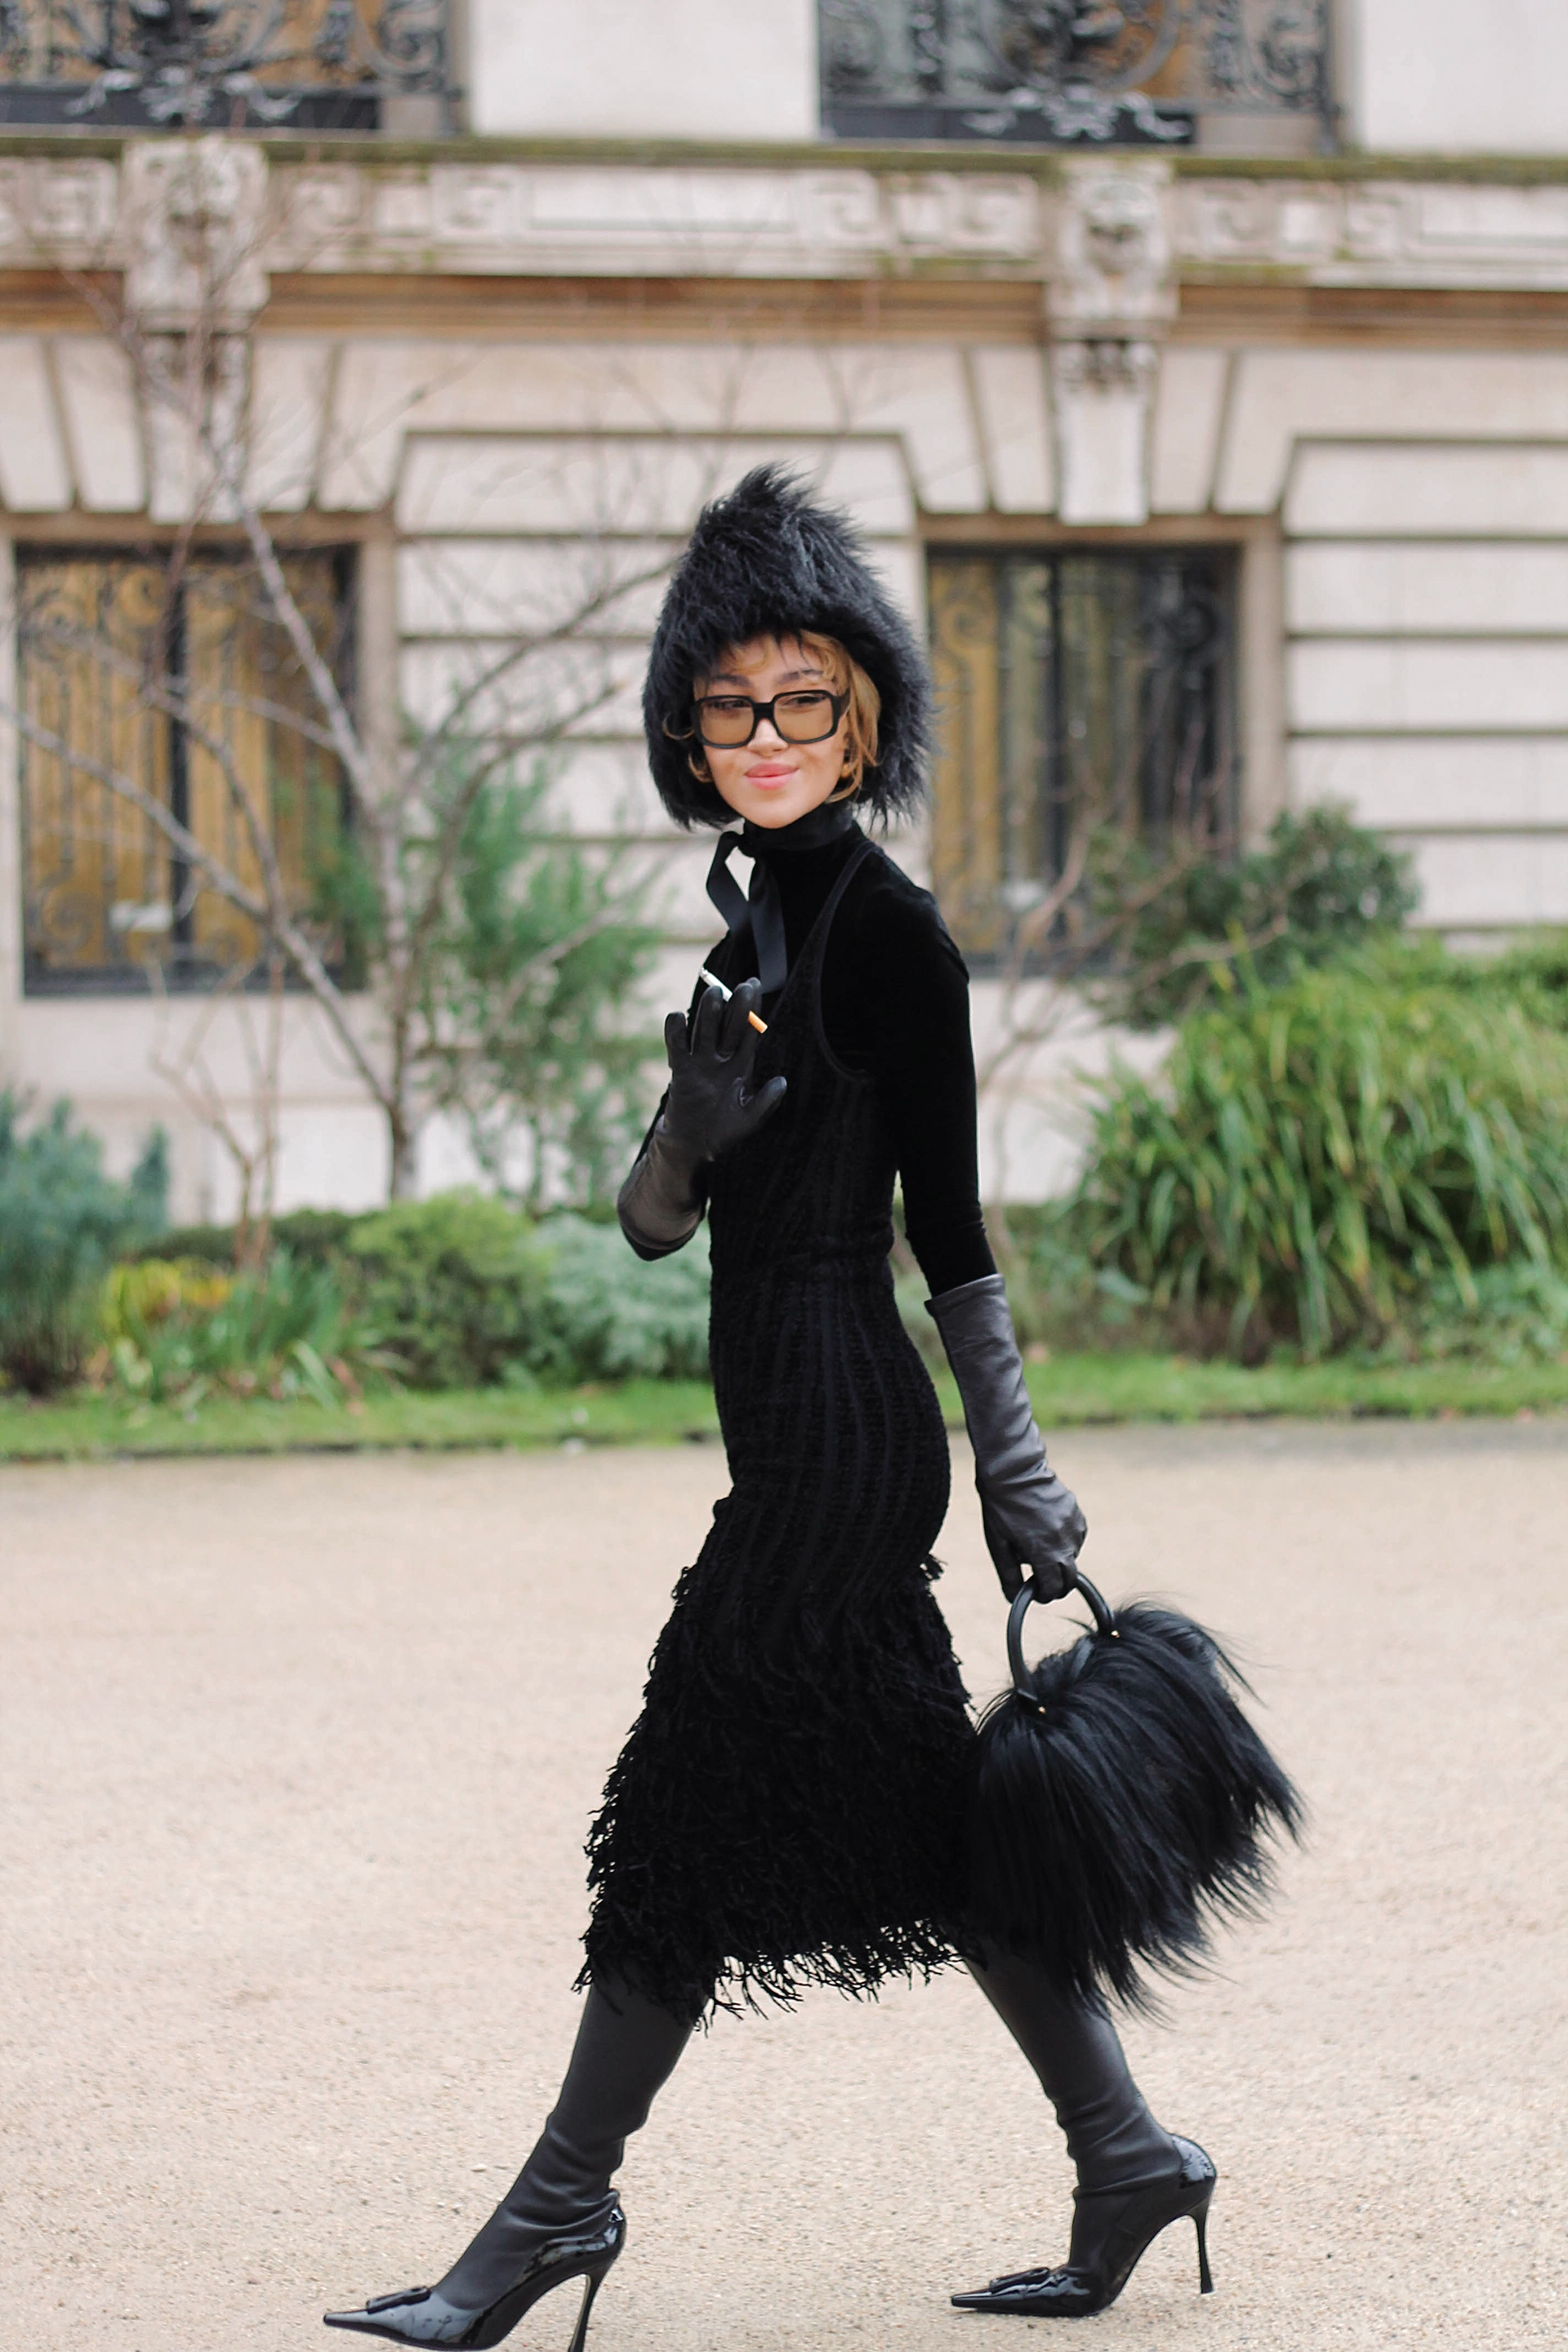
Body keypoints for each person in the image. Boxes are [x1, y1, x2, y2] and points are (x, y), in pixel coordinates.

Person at [324, 468, 1214, 2350]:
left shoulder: (895, 941)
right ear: (691, 734)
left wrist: (1021, 1475)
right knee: (939, 1827)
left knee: (674, 1820)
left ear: (862, 718)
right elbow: (653, 1228)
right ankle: (1129, 2154)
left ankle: (553, 2212)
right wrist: (689, 1133)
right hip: (790, 1428)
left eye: (805, 699)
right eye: (732, 705)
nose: (769, 734)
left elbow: (954, 1240)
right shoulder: (745, 948)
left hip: (841, 1452)